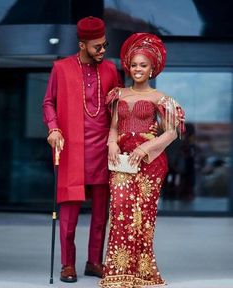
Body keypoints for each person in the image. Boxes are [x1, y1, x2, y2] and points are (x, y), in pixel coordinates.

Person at [99, 33, 185, 288]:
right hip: (122, 162)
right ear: (129, 66)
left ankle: (142, 274)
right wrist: (112, 142)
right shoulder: (117, 95)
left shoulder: (162, 99)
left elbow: (172, 132)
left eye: (143, 65)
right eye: (134, 64)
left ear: (152, 69)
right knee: (120, 212)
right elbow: (113, 127)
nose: (138, 69)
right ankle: (117, 273)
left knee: (142, 217)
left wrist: (146, 147)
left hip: (151, 164)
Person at [43, 16, 122, 283]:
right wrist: (53, 128)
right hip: (72, 152)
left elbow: (119, 110)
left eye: (104, 45)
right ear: (82, 44)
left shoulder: (111, 70)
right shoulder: (61, 68)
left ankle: (94, 262)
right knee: (69, 216)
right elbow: (48, 103)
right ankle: (67, 265)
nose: (103, 50)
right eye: (97, 46)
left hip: (102, 152)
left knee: (101, 215)